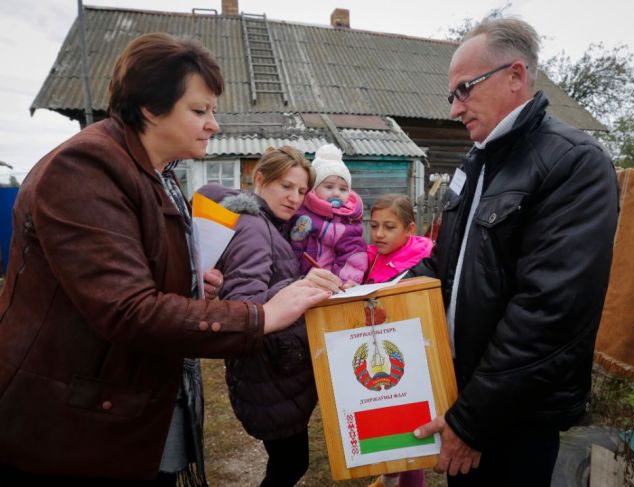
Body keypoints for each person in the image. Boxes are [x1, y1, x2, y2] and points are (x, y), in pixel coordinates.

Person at [0, 33, 332, 486]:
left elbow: (138, 274)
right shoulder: (84, 169)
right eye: (199, 111)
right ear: (151, 108)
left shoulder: (157, 175)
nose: (213, 124)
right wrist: (261, 316)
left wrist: (195, 285)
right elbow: (126, 308)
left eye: (212, 111)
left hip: (120, 404)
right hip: (72, 427)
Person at [408, 17, 619, 487]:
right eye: (452, 95)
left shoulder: (574, 163)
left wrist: (471, 421)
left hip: (513, 416)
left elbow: (548, 314)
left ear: (515, 76)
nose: (455, 110)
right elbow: (445, 265)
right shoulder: (476, 163)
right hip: (464, 396)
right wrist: (379, 297)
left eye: (464, 90)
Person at [197, 146, 343, 486]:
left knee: (289, 462)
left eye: (302, 191)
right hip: (268, 372)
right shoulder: (254, 227)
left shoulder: (269, 224)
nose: (295, 198)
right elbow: (244, 307)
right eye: (286, 186)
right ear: (260, 179)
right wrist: (300, 286)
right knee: (291, 464)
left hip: (273, 372)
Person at [365, 193, 433, 487]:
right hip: (379, 354)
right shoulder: (370, 256)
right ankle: (390, 473)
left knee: (410, 430)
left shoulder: (422, 262)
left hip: (411, 357)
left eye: (389, 227)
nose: (379, 234)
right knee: (385, 424)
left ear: (410, 229)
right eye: (375, 225)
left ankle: (403, 479)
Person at [290, 143, 368, 284]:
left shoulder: (347, 221)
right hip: (300, 282)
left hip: (332, 283)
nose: (336, 193)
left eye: (343, 189)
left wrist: (344, 281)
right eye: (329, 186)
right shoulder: (300, 212)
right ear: (313, 189)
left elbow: (353, 255)